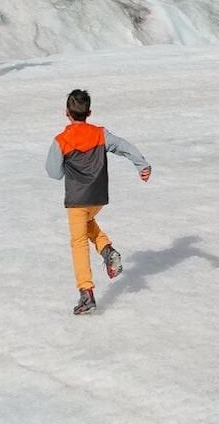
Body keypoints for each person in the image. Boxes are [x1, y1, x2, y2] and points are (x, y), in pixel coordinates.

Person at [45, 89, 151, 316]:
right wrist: (142, 165)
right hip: (98, 197)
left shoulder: (61, 140)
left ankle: (86, 293)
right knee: (87, 223)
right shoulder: (100, 134)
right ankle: (106, 250)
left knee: (79, 242)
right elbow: (123, 146)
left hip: (76, 200)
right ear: (89, 113)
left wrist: (67, 165)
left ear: (66, 113)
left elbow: (53, 173)